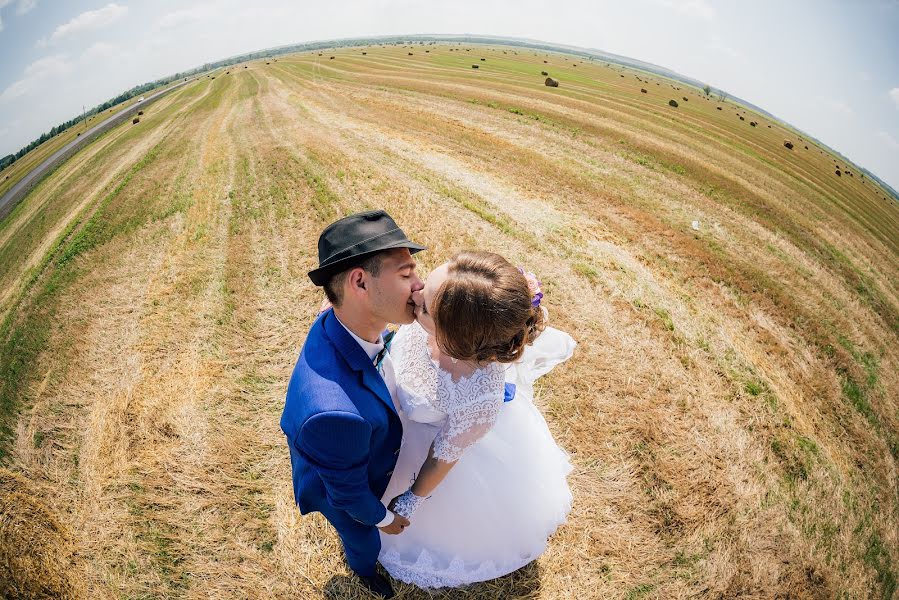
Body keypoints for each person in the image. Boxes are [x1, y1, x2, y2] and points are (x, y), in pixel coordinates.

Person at [378, 251, 576, 588]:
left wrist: (410, 500)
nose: (413, 294)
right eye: (425, 285)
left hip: (432, 457)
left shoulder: (479, 397)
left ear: (457, 340)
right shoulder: (436, 309)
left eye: (424, 307)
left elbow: (442, 459)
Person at [280, 209, 426, 598]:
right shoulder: (335, 414)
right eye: (406, 273)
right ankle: (364, 573)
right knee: (361, 537)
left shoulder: (339, 319)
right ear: (359, 282)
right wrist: (383, 518)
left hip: (343, 449)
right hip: (343, 488)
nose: (420, 283)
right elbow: (348, 495)